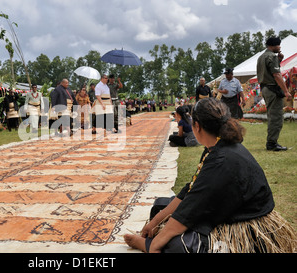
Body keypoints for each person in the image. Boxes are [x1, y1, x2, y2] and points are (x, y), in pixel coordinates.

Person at [124, 98, 296, 253]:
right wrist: (155, 221)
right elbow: (190, 191)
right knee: (160, 207)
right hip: (228, 208)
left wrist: (152, 245)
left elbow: (191, 207)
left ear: (197, 126)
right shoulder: (215, 148)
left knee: (179, 245)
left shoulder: (221, 160)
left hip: (248, 226)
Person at [257, 37, 293, 152]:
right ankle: (272, 143)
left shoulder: (261, 57)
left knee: (272, 115)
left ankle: (271, 142)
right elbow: (276, 75)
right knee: (276, 117)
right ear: (273, 46)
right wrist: (286, 91)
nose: (280, 47)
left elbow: (267, 71)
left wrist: (279, 61)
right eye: (278, 45)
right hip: (273, 89)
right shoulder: (272, 57)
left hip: (265, 88)